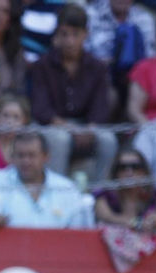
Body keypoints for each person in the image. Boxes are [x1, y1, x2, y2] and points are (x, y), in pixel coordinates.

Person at [29, 4, 115, 182]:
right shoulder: (42, 65)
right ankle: (56, 192)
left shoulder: (97, 67)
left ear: (85, 34)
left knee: (108, 140)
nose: (69, 41)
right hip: (52, 126)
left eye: (75, 34)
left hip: (85, 126)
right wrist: (70, 129)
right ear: (57, 35)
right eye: (64, 34)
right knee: (59, 139)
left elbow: (100, 107)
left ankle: (101, 192)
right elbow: (41, 109)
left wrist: (89, 129)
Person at [0, 130, 87, 229]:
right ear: (12, 157)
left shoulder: (66, 188)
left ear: (46, 156)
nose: (26, 161)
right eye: (20, 155)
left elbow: (77, 231)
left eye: (32, 155)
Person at [86, 0, 154, 108]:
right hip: (100, 78)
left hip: (136, 79)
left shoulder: (144, 18)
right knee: (108, 96)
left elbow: (152, 58)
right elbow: (82, 54)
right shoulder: (91, 15)